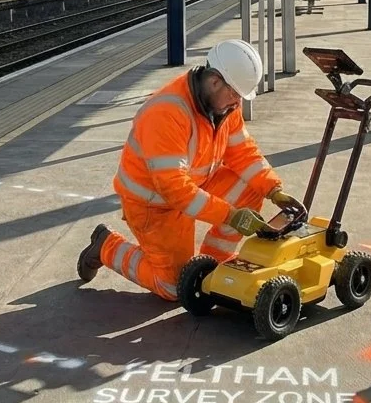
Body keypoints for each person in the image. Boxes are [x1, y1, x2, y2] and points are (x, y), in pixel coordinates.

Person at [76, 38, 300, 300]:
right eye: (235, 94)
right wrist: (230, 215)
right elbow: (174, 189)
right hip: (154, 204)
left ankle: (211, 266)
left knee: (251, 188)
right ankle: (106, 246)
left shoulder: (224, 107)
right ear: (215, 81)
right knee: (173, 287)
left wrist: (273, 188)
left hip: (196, 185)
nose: (238, 103)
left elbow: (242, 152)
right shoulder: (167, 113)